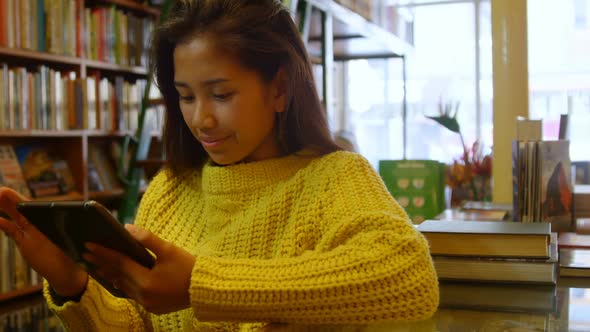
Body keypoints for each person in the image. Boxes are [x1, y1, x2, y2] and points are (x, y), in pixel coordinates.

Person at [0, 0, 439, 330]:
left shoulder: (334, 178)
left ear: (280, 88)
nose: (200, 119)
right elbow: (135, 324)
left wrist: (202, 284)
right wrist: (70, 281)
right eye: (186, 96)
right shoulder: (172, 189)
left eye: (221, 94)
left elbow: (410, 278)